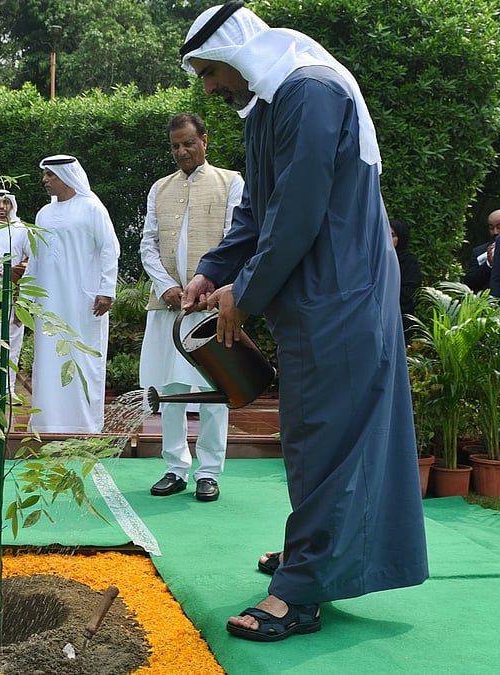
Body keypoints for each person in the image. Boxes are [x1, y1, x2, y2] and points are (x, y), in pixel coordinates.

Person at [179, 3, 428, 642]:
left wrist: (245, 292)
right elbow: (259, 208)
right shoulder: (269, 103)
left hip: (341, 292)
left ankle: (302, 591)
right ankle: (314, 555)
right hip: (317, 295)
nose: (208, 88)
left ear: (235, 54)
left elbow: (298, 211)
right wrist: (214, 269)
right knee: (315, 435)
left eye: (209, 72)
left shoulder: (309, 91)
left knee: (326, 438)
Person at [140, 113, 242, 502]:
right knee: (171, 388)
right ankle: (175, 467)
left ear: (205, 141)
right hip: (168, 307)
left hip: (212, 305)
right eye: (175, 146)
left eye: (188, 143)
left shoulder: (231, 182)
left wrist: (212, 283)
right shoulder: (159, 188)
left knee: (216, 389)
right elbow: (148, 244)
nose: (182, 151)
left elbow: (236, 239)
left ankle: (209, 471)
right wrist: (165, 286)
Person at [28, 155, 119, 434]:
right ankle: (47, 422)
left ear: (66, 176)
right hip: (47, 302)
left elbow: (110, 249)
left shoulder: (92, 208)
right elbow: (35, 257)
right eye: (45, 174)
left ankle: (84, 424)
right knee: (48, 359)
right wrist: (27, 298)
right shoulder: (43, 213)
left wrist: (106, 290)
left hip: (83, 301)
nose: (45, 180)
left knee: (82, 357)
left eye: (50, 175)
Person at [0, 187, 30, 396]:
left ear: (12, 204)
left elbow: (32, 260)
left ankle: (7, 388)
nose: (2, 207)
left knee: (11, 341)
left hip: (12, 293)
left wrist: (13, 272)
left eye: (6, 202)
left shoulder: (21, 230)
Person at [464, 209, 500, 292]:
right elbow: (470, 283)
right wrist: (489, 264)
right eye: (491, 228)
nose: (495, 232)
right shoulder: (479, 252)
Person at [390, 218, 420, 340]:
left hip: (401, 317)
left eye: (392, 235)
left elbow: (409, 292)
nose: (388, 239)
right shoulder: (376, 259)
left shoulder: (408, 262)